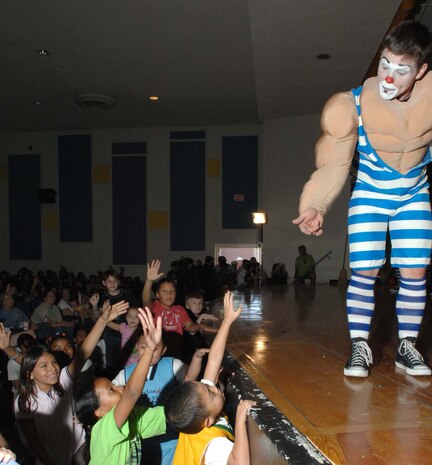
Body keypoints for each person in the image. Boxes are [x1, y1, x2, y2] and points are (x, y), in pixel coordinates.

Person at [293, 21, 432, 377]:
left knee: (415, 274)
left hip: (414, 193)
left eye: (401, 70)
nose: (388, 77)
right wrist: (316, 204)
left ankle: (407, 348)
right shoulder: (352, 104)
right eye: (385, 63)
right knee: (364, 273)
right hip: (370, 193)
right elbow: (334, 162)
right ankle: (359, 346)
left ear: (421, 71)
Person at [6, 301, 129, 465]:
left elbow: (84, 352)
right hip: (50, 458)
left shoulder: (63, 379)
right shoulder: (23, 400)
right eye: (44, 366)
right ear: (30, 375)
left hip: (79, 448)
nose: (53, 369)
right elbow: (34, 443)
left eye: (54, 363)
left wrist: (103, 320)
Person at [165, 291, 256, 465]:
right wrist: (239, 421)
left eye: (207, 386)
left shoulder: (195, 417)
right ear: (208, 421)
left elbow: (214, 359)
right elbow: (240, 463)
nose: (214, 387)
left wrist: (227, 321)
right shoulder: (213, 444)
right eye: (212, 393)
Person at [74, 307, 166, 465]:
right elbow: (131, 393)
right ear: (100, 411)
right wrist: (150, 349)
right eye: (112, 390)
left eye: (113, 385)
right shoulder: (103, 429)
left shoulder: (133, 417)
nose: (120, 387)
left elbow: (170, 415)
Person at [112, 331, 209, 465]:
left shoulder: (173, 365)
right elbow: (109, 397)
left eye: (155, 348)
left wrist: (196, 359)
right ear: (136, 347)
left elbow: (189, 381)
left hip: (170, 442)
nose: (149, 351)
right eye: (143, 347)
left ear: (164, 350)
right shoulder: (125, 374)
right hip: (139, 445)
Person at [142, 260, 217, 359]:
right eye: (164, 291)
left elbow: (190, 326)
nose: (169, 294)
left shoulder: (179, 310)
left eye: (172, 291)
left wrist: (201, 326)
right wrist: (149, 280)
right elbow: (145, 298)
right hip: (155, 353)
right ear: (157, 294)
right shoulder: (154, 307)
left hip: (175, 354)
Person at [182, 291, 218, 365]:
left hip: (199, 350)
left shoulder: (198, 316)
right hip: (191, 353)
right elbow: (192, 331)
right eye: (194, 303)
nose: (197, 305)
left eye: (200, 303)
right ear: (187, 306)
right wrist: (202, 317)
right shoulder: (188, 316)